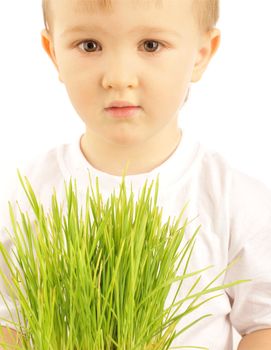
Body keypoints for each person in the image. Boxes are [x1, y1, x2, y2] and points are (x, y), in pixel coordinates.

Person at [0, 0, 271, 349]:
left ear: (201, 53)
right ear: (53, 54)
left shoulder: (236, 200)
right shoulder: (26, 198)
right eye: (89, 45)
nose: (118, 78)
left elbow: (264, 325)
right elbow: (9, 324)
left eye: (151, 45)